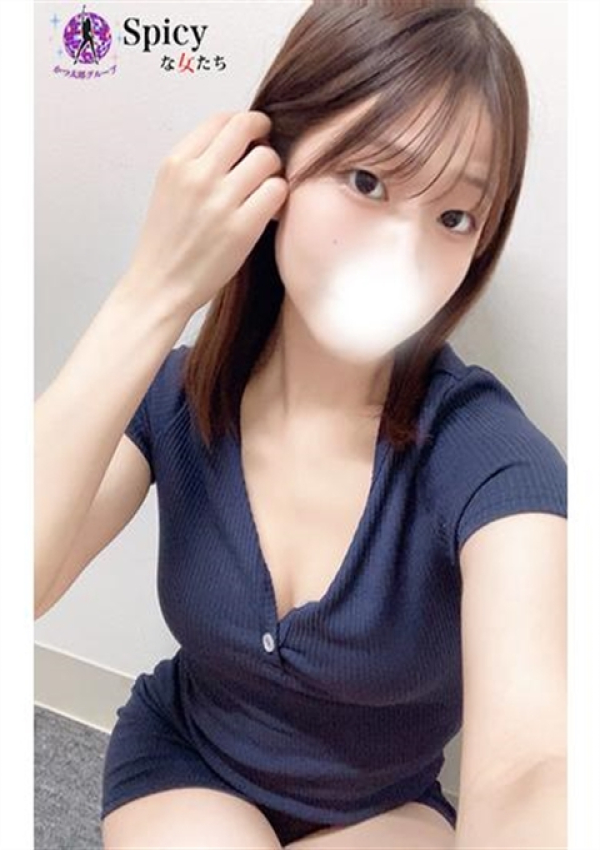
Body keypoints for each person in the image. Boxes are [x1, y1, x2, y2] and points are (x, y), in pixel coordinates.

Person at [35, 1, 567, 848]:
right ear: (272, 169)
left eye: (455, 217)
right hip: (188, 765)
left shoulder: (490, 459)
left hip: (387, 811)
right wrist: (152, 292)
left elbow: (537, 762)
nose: (403, 255)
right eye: (367, 181)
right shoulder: (178, 397)